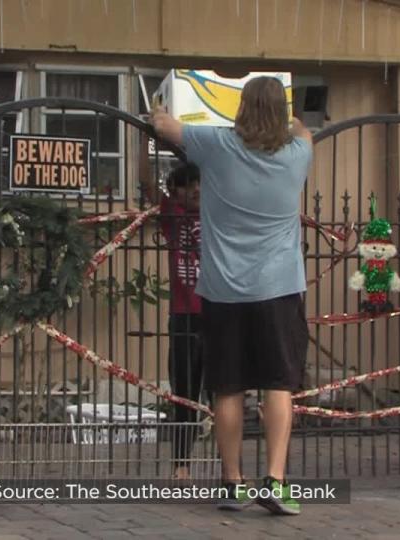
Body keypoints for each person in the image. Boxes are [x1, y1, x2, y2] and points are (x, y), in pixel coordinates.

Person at [150, 76, 313, 516]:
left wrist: (158, 105)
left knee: (228, 388)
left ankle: (232, 482)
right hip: (279, 288)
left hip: (222, 291)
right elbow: (303, 129)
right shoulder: (298, 154)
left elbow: (164, 127)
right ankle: (276, 481)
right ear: (280, 110)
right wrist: (290, 121)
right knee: (279, 385)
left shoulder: (216, 145)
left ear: (240, 107)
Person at [138, 158, 206, 480]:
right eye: (187, 184)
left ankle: (229, 467)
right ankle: (182, 465)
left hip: (218, 314)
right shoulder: (173, 217)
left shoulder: (217, 213)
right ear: (174, 191)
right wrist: (145, 138)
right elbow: (146, 183)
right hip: (184, 317)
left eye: (199, 183)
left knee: (225, 393)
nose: (195, 190)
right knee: (184, 396)